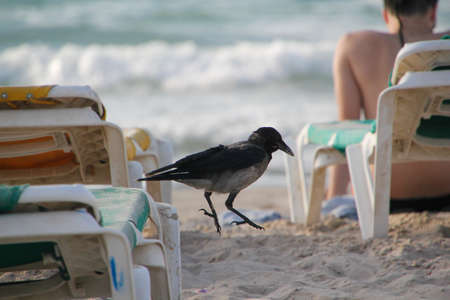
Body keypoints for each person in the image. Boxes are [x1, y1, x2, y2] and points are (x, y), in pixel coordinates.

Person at [328, 0, 450, 211]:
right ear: (433, 11)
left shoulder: (353, 46)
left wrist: (333, 199)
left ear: (386, 14)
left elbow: (348, 129)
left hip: (384, 195)